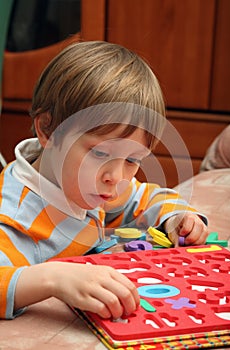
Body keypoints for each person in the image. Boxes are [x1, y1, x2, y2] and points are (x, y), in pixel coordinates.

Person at [0, 41, 208, 321]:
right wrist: (52, 278)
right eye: (99, 153)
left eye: (133, 160)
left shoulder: (97, 184)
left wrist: (177, 217)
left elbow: (143, 197)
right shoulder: (14, 218)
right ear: (48, 131)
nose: (117, 177)